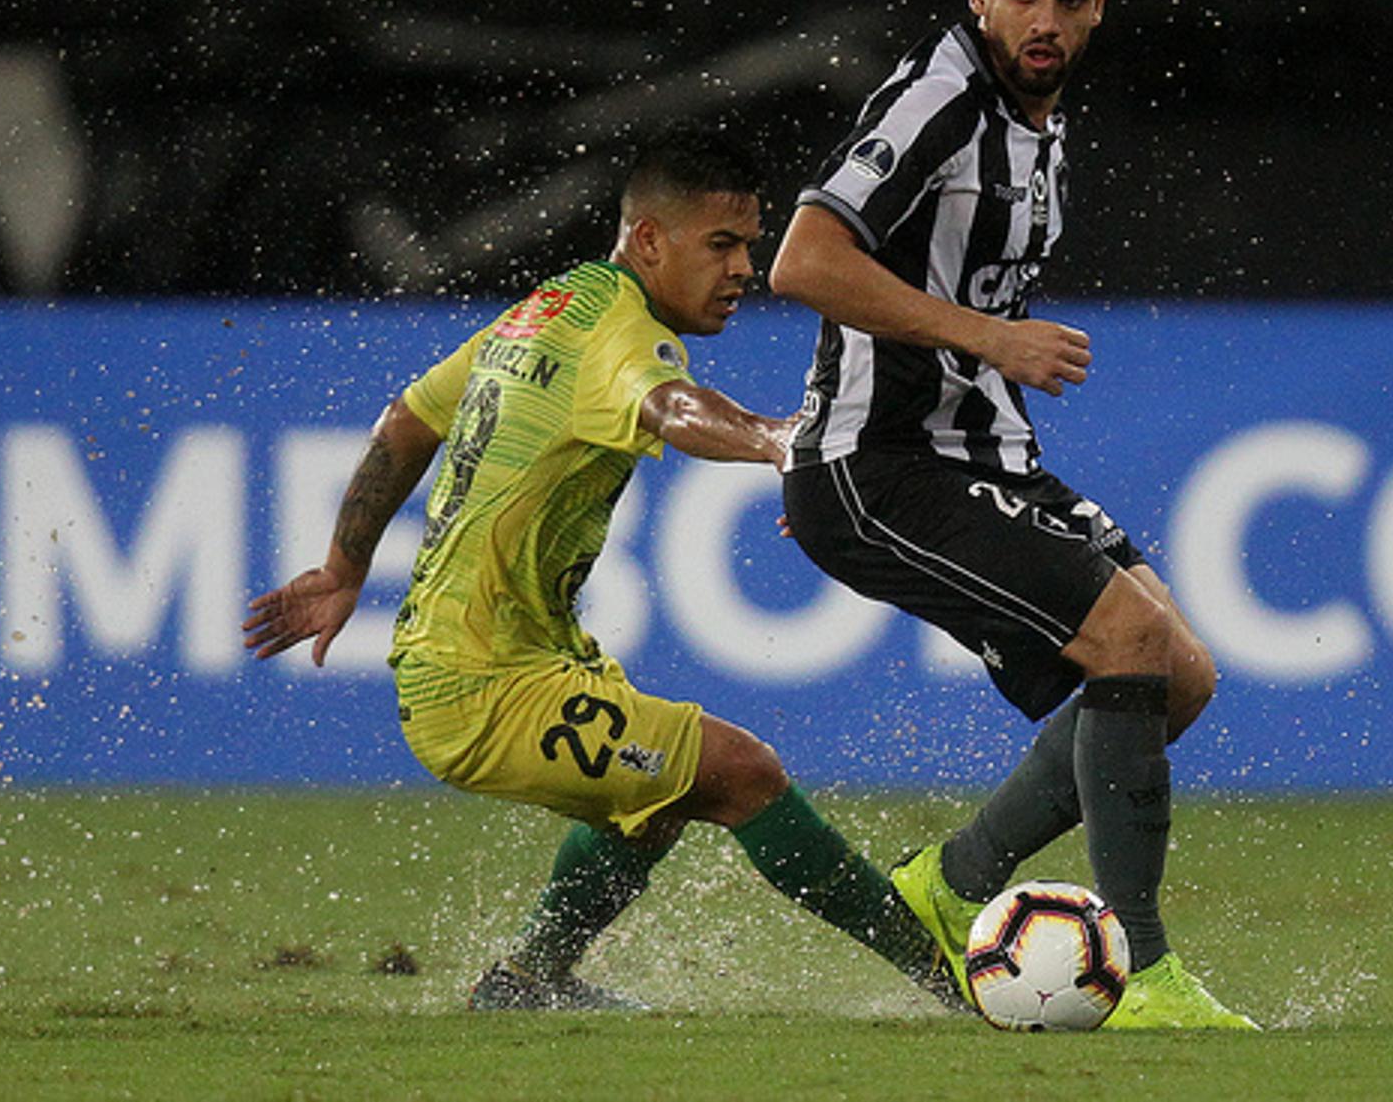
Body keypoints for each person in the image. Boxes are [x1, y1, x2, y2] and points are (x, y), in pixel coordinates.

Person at [243, 122, 962, 1014]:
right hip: (481, 685)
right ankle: (951, 979)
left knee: (653, 792)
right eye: (723, 244)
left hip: (498, 658)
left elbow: (407, 420)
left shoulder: (550, 307)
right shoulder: (620, 333)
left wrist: (343, 567)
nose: (744, 268)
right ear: (649, 239)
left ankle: (526, 981)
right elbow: (672, 407)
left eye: (751, 244)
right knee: (743, 772)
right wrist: (782, 443)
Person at [769, 0, 1255, 1030]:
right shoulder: (940, 98)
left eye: (1069, 0)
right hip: (883, 462)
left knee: (1177, 673)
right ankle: (1142, 975)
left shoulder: (1036, 120)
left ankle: (947, 888)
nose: (1044, 18)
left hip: (969, 450)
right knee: (1128, 639)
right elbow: (804, 260)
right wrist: (986, 343)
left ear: (1098, 10)